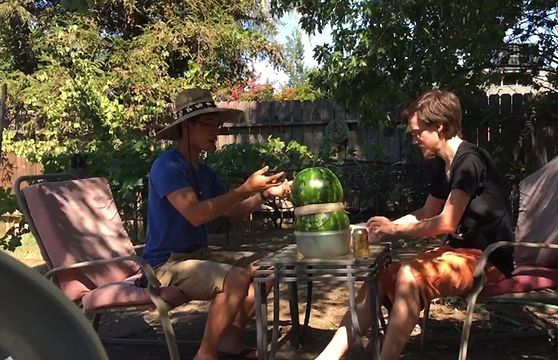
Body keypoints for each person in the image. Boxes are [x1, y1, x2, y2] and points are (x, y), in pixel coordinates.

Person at [316, 89, 515, 360]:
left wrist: (395, 230)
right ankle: (328, 356)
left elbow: (445, 223)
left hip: (488, 259)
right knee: (380, 278)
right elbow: (426, 212)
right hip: (457, 253)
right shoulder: (446, 164)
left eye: (417, 132)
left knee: (410, 276)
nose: (413, 139)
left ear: (439, 126)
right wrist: (383, 227)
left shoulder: (469, 162)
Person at [143, 88, 291, 360]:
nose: (216, 130)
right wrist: (243, 188)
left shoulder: (205, 172)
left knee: (269, 267)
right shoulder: (167, 167)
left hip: (199, 256)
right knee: (235, 278)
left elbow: (233, 212)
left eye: (218, 124)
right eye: (208, 123)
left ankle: (230, 340)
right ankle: (206, 353)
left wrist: (265, 194)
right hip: (165, 265)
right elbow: (196, 214)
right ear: (187, 126)